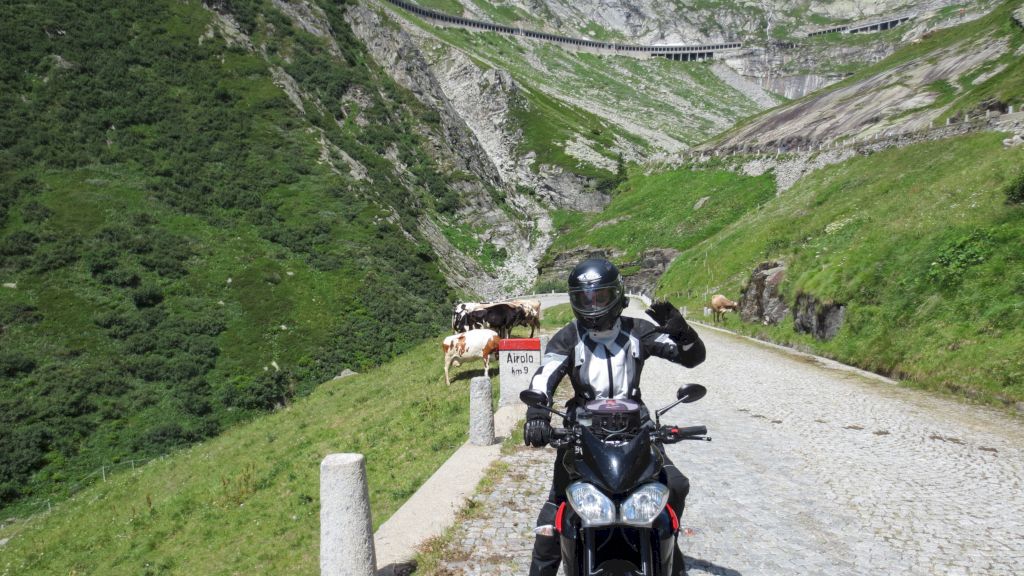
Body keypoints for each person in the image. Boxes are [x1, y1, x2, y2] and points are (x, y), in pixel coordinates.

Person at [523, 258, 706, 576]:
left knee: (676, 485)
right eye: (585, 299)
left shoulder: (638, 331)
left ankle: (667, 544)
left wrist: (683, 333)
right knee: (555, 512)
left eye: (600, 297)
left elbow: (692, 358)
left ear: (617, 294)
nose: (593, 306)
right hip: (581, 433)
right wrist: (537, 415)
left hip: (638, 430)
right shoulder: (568, 338)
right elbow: (544, 376)